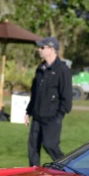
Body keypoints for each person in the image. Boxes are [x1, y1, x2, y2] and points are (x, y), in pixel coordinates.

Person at [25, 36, 72, 166]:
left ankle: (67, 167)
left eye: (42, 47)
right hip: (37, 116)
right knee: (33, 147)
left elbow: (67, 97)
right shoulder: (41, 69)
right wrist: (28, 111)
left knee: (49, 145)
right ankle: (33, 174)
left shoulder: (62, 70)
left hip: (52, 117)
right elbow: (35, 93)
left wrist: (59, 115)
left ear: (51, 49)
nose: (39, 50)